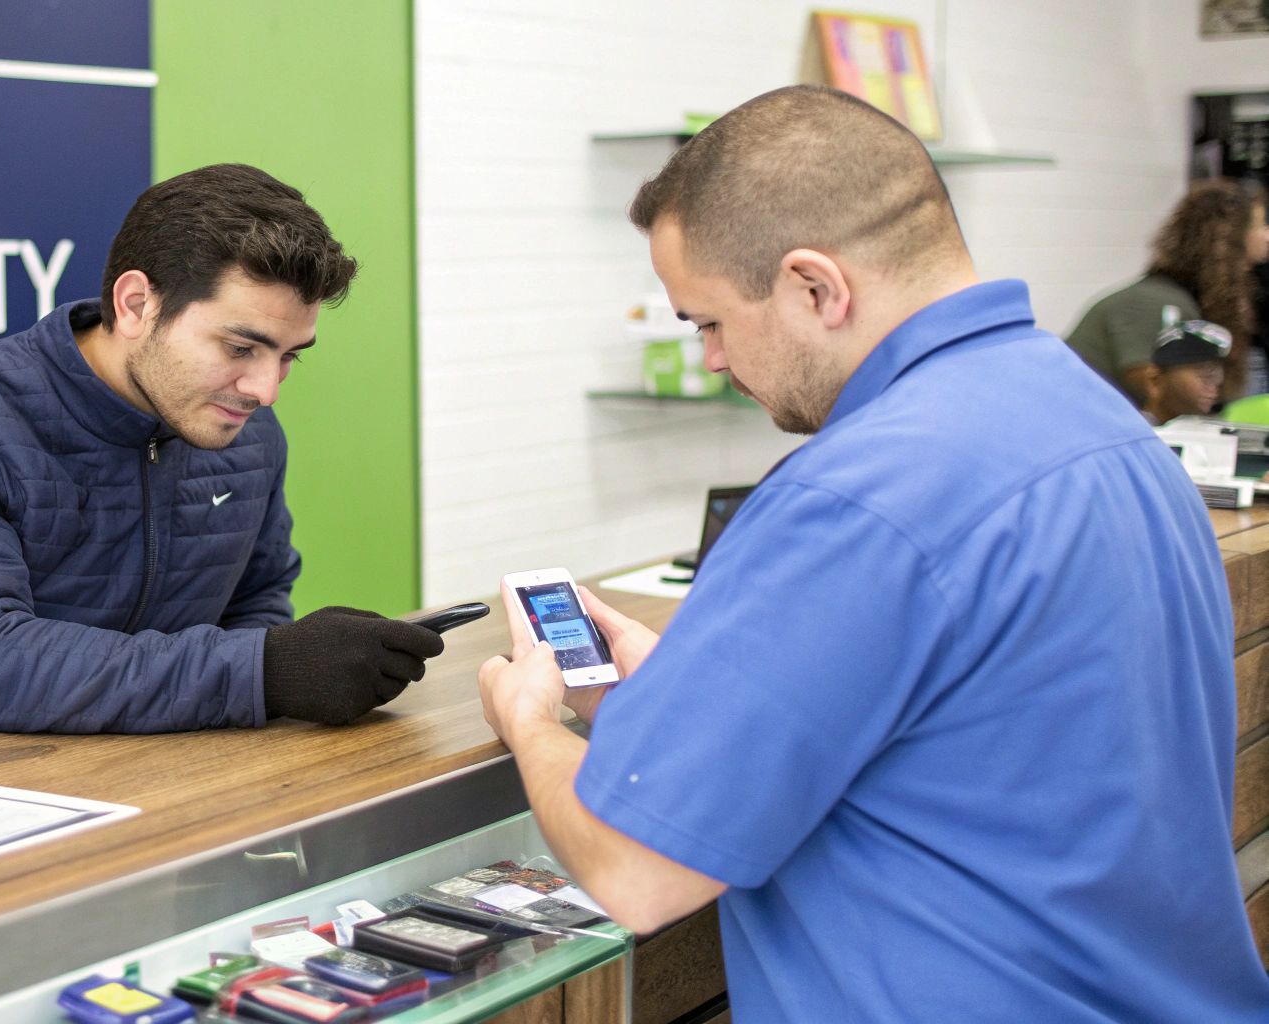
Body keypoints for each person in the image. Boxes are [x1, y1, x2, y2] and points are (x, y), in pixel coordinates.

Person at [477, 86, 1269, 1021]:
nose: (713, 362)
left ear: (817, 287)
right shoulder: (1106, 423)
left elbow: (636, 870)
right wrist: (690, 690)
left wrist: (528, 720)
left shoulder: (853, 495)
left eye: (709, 322)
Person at [0, 163, 442, 758]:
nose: (264, 389)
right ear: (136, 304)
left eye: (288, 356)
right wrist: (265, 671)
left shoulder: (246, 434)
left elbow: (253, 604)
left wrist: (275, 665)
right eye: (240, 346)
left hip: (151, 795)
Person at [1066, 177, 1268, 405]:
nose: (1267, 236)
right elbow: (1162, 395)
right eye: (1260, 225)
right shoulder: (1156, 301)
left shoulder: (1181, 300)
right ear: (1229, 237)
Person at [1139, 320, 1232, 425]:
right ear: (1155, 381)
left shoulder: (1212, 433)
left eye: (1215, 375)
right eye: (1204, 374)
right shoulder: (1132, 433)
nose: (1214, 386)